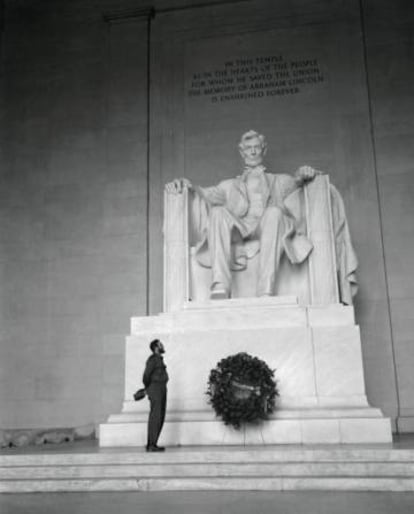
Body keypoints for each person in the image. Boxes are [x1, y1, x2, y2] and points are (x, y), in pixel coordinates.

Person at [166, 130, 318, 299]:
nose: (252, 152)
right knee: (217, 212)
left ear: (264, 149)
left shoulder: (280, 181)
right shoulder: (228, 185)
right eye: (248, 148)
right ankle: (220, 284)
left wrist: (304, 175)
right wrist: (187, 187)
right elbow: (204, 194)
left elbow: (298, 183)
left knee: (274, 212)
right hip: (240, 229)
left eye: (256, 147)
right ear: (242, 152)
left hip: (267, 225)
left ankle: (265, 289)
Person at [142, 339, 169, 452]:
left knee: (160, 417)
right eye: (160, 345)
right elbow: (146, 376)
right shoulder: (152, 360)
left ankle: (153, 443)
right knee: (156, 417)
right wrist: (150, 388)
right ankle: (151, 444)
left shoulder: (159, 359)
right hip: (156, 388)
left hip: (161, 388)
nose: (163, 346)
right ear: (156, 347)